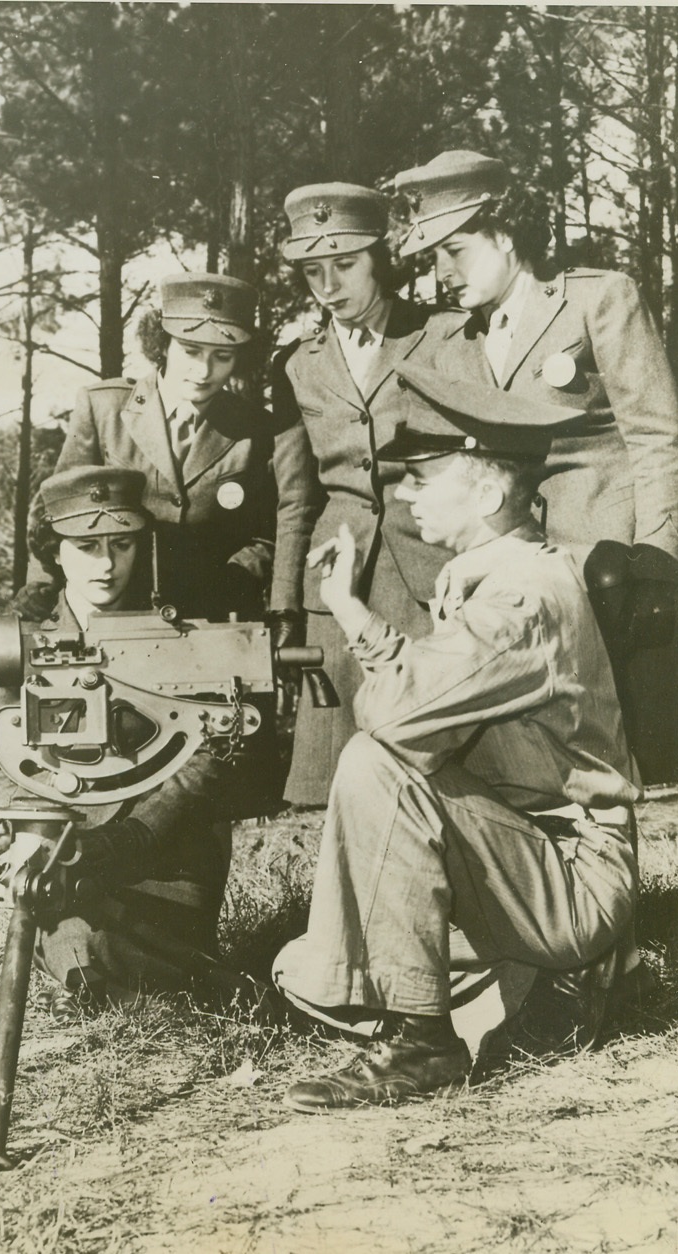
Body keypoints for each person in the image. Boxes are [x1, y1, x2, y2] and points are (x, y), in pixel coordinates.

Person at [273, 362, 640, 1111]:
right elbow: (429, 707)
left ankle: (425, 1040)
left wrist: (359, 630)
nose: (403, 494)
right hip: (518, 857)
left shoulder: (521, 596)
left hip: (569, 877)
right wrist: (349, 609)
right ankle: (544, 987)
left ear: (487, 492)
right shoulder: (493, 574)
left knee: (374, 764)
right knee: (300, 967)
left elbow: (399, 721)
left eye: (422, 478)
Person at [0, 466, 253, 1019]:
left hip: (165, 857)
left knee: (112, 957)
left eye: (122, 544)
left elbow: (211, 759)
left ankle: (196, 984)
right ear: (55, 552)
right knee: (87, 954)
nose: (106, 564)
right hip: (64, 852)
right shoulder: (16, 635)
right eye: (86, 546)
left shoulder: (182, 632)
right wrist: (37, 832)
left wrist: (129, 838)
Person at [269, 183, 455, 807]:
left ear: (381, 258)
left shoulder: (444, 335)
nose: (328, 284)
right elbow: (297, 498)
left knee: (438, 759)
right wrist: (284, 607)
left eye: (344, 264)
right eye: (313, 270)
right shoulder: (295, 364)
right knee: (345, 780)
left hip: (428, 575)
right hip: (340, 585)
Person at [394, 149, 678, 558]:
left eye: (455, 251)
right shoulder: (456, 345)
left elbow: (657, 438)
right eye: (433, 258)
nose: (442, 274)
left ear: (504, 234)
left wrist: (658, 556)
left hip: (610, 565)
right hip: (513, 572)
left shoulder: (598, 299)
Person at [49, 273, 275, 622]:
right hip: (118, 614)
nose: (203, 370)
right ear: (163, 345)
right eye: (191, 351)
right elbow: (58, 515)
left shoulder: (256, 429)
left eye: (222, 356)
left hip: (215, 619)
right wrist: (41, 605)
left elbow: (268, 534)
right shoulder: (104, 409)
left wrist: (227, 585)